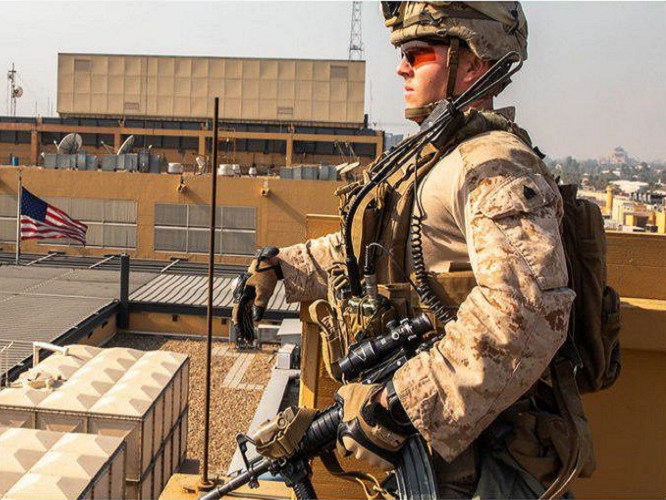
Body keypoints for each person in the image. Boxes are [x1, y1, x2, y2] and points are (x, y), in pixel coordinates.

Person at [234, 2, 591, 498]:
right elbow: (371, 253)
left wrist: (399, 405)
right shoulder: (438, 159)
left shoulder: (492, 165)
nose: (401, 67)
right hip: (441, 456)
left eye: (417, 53)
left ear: (472, 60)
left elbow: (525, 312)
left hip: (487, 466)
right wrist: (280, 268)